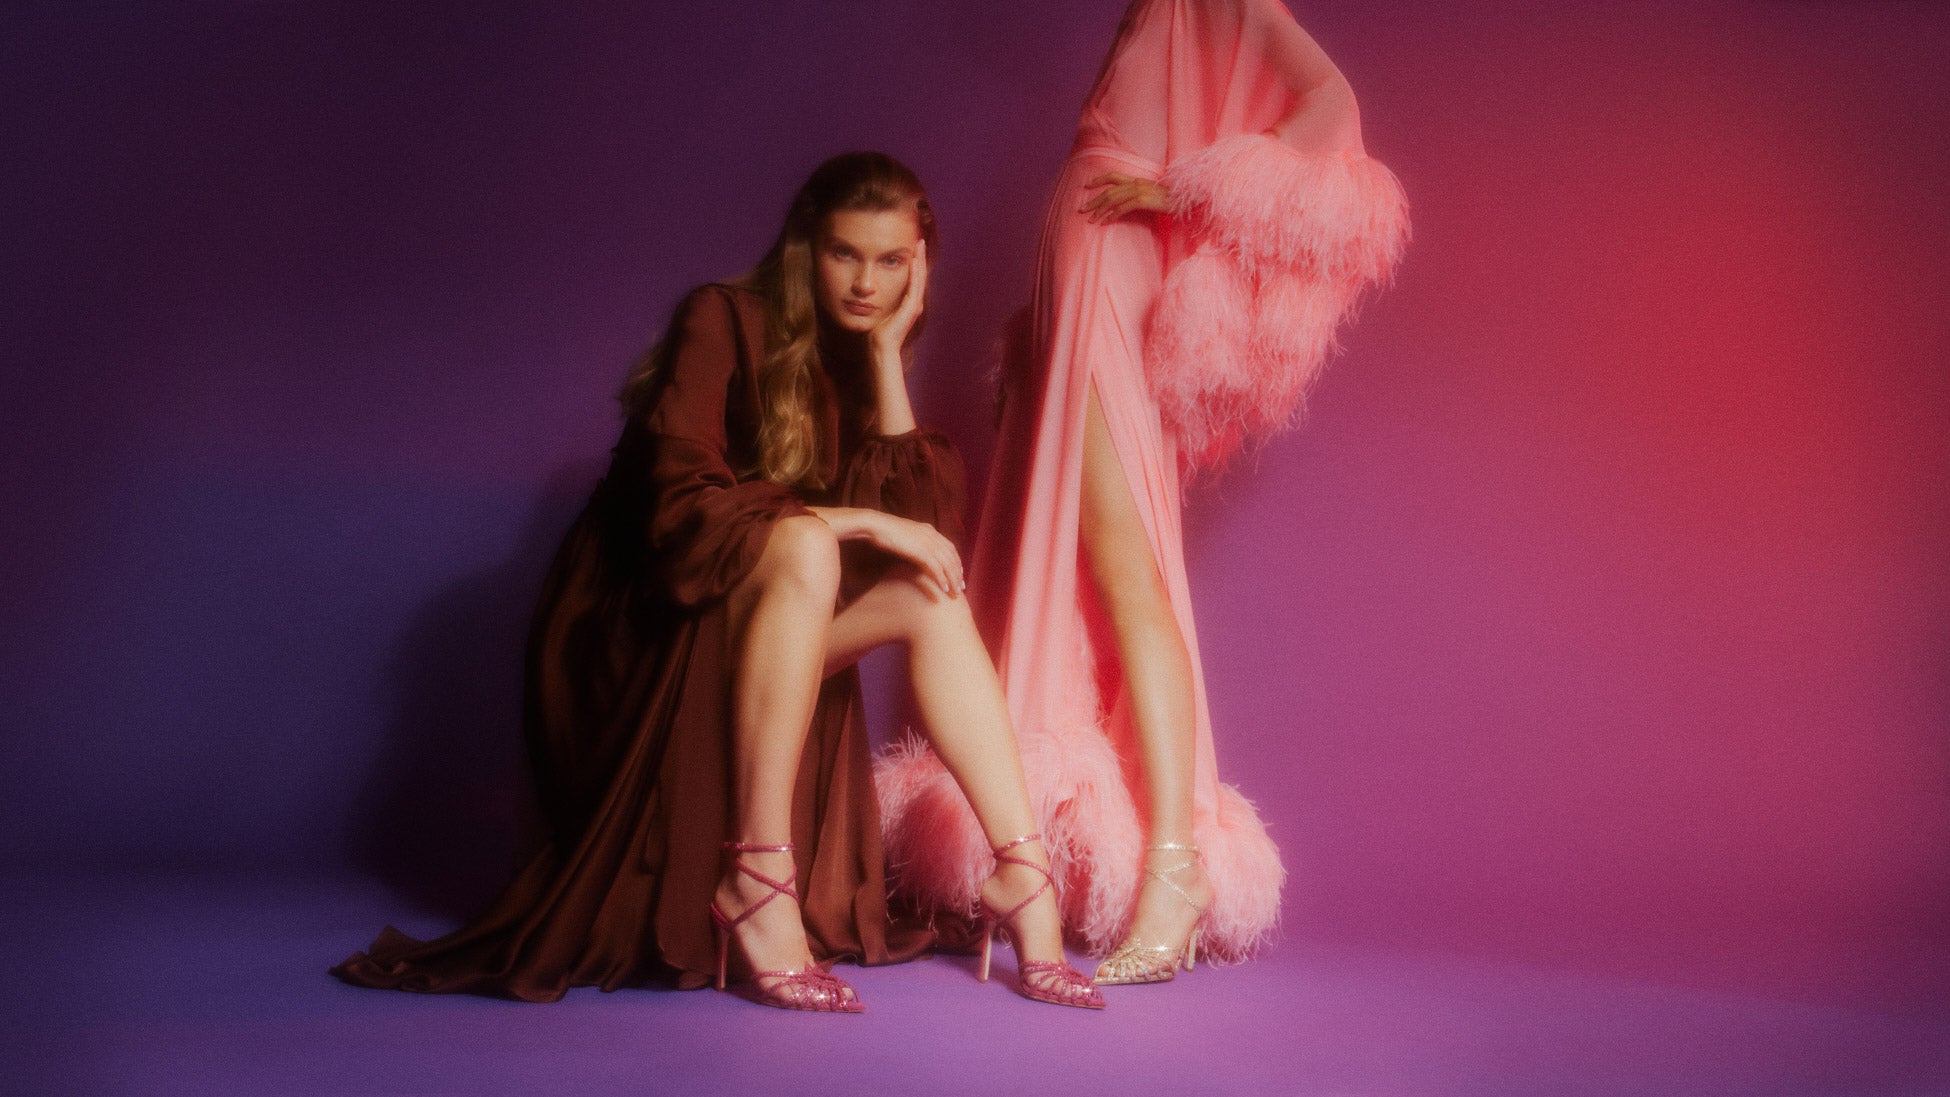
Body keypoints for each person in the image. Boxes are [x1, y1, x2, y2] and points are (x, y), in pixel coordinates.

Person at [333, 152, 1104, 1012]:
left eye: (892, 261)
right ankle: (757, 879)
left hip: (765, 640)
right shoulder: (720, 317)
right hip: (649, 635)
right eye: (845, 253)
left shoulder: (860, 358)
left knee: (932, 593)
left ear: (917, 267)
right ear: (806, 246)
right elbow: (679, 508)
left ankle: (1022, 872)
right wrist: (853, 520)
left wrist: (890, 358)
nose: (866, 283)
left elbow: (924, 537)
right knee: (805, 543)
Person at [877, 0, 1408, 984]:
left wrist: (1182, 191)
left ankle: (1175, 866)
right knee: (1071, 567)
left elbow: (1330, 103)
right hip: (1078, 280)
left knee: (1126, 566)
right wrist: (1040, 329)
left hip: (1107, 281)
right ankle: (1046, 857)